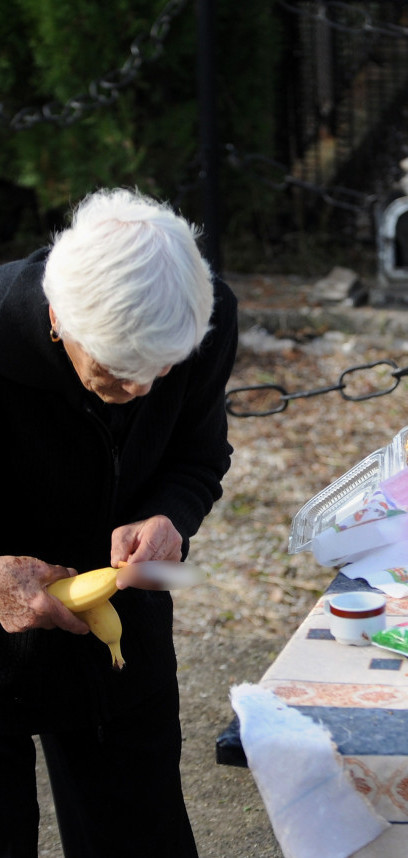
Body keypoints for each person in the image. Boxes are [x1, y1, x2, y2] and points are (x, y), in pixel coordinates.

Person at [0, 187, 238, 857]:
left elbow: (198, 453)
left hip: (118, 640)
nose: (139, 393)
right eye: (115, 371)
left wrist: (172, 516)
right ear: (59, 320)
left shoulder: (202, 315)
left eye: (160, 372)